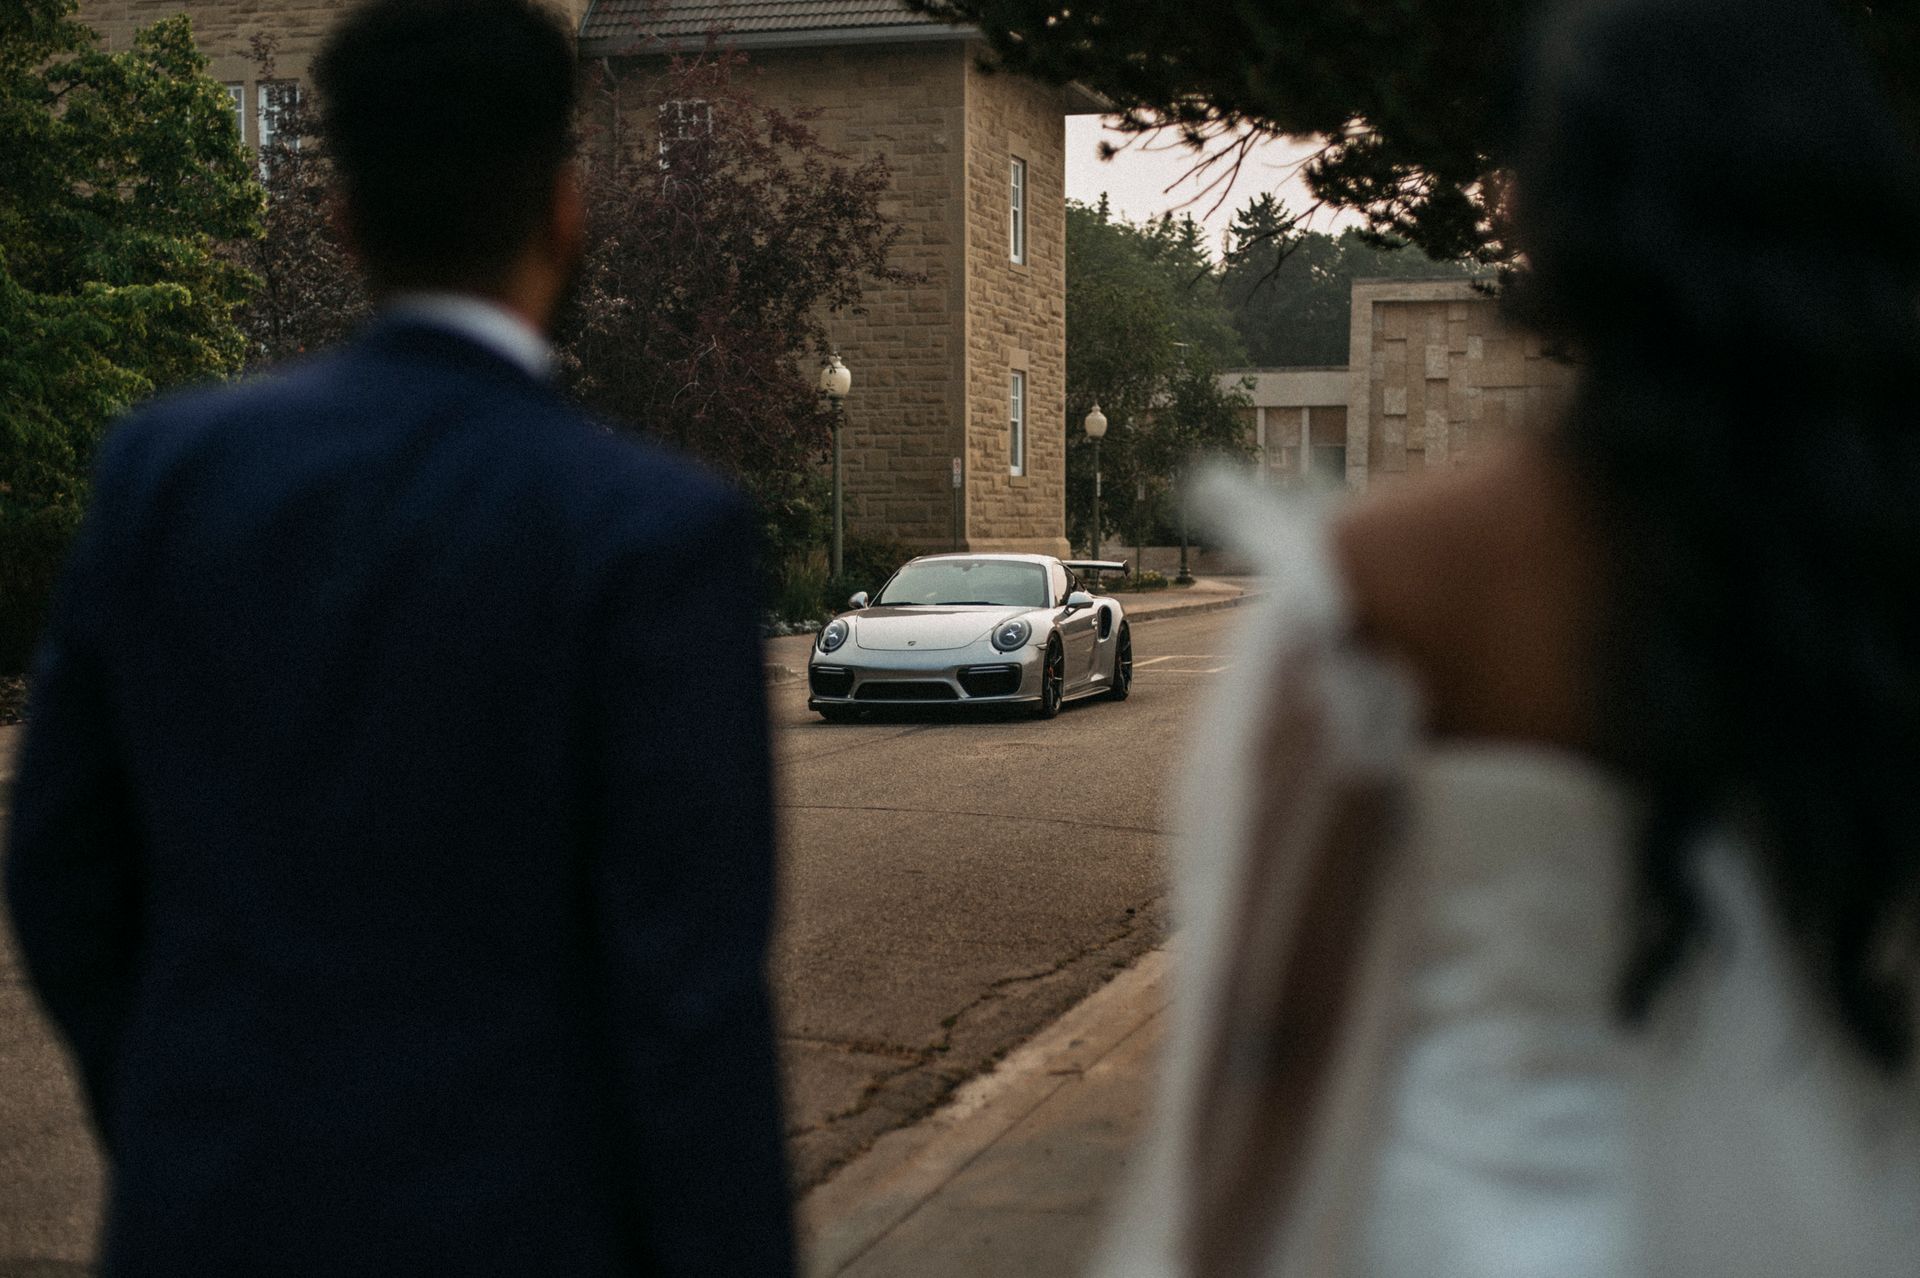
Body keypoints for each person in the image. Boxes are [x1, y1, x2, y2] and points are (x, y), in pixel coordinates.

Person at [1098, 0, 1920, 1274]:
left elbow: (1274, 1036)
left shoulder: (1407, 574)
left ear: (1556, 205)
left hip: (1473, 1227)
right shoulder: (1871, 561)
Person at [3, 1, 793, 1272]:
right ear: (563, 207)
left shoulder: (166, 472)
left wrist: (181, 1116)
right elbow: (689, 1001)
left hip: (211, 1216)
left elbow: (61, 874)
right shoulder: (656, 533)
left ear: (345, 217)